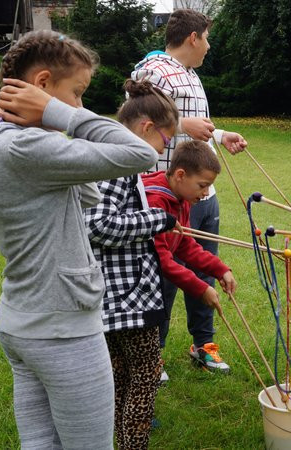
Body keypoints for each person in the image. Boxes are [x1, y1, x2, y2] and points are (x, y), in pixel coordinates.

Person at [0, 30, 166, 448]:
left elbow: (88, 194)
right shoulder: (28, 149)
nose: (79, 106)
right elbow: (141, 153)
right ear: (43, 84)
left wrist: (52, 117)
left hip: (20, 320)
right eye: (77, 93)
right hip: (62, 327)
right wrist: (57, 113)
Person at [132, 8, 247, 378]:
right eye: (207, 38)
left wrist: (219, 135)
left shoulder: (190, 74)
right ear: (193, 37)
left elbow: (193, 127)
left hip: (202, 195)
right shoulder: (154, 70)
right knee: (165, 276)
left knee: (204, 268)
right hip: (168, 193)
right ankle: (154, 354)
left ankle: (203, 344)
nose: (209, 47)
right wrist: (183, 125)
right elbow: (140, 118)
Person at [84, 79, 181, 449]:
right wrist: (158, 219)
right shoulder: (119, 163)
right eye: (165, 140)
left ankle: (121, 442)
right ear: (146, 128)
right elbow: (98, 224)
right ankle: (132, 444)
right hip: (126, 299)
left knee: (122, 374)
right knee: (146, 373)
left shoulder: (114, 157)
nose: (164, 149)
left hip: (118, 295)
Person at [141, 141, 236, 357]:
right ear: (180, 175)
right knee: (150, 321)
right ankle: (152, 361)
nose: (206, 193)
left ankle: (153, 359)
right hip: (139, 284)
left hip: (149, 279)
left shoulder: (181, 197)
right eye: (202, 185)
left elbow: (185, 244)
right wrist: (200, 288)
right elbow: (161, 259)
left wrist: (220, 269)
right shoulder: (156, 202)